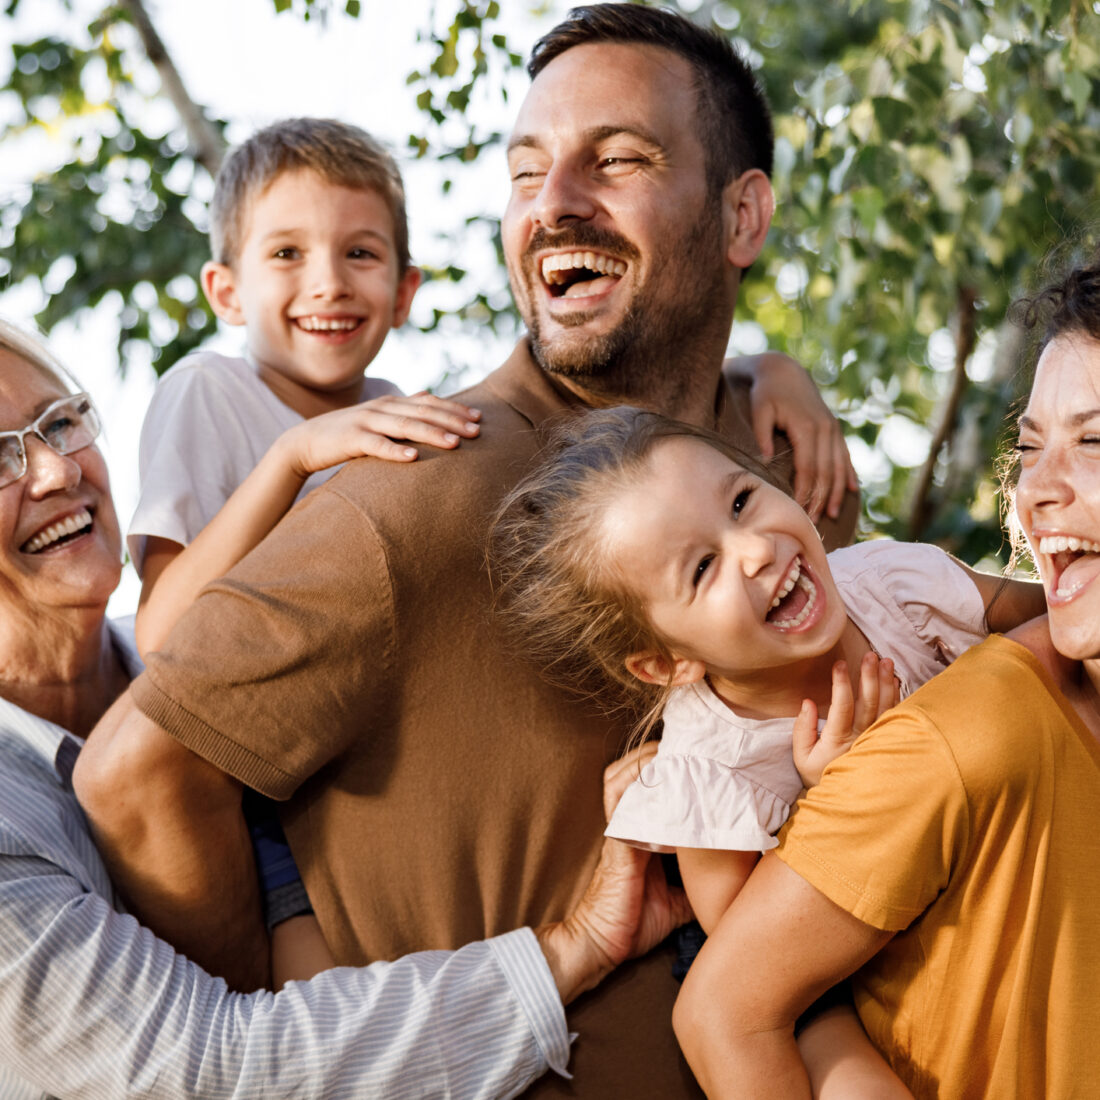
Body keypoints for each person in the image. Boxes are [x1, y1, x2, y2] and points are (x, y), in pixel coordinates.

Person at [75, 7, 860, 1094]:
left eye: (617, 159)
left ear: (742, 212)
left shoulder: (782, 476)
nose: (553, 205)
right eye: (525, 171)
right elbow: (133, 776)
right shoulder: (419, 491)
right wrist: (300, 1060)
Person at [0, 318, 691, 1099]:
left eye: (59, 422)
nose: (57, 470)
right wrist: (573, 949)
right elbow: (214, 1070)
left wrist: (756, 376)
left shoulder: (211, 654)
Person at [491, 405, 1044, 1095]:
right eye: (702, 568)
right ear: (666, 665)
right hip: (819, 981)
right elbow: (753, 958)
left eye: (743, 501)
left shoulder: (889, 585)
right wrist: (831, 799)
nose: (755, 550)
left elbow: (1053, 622)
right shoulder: (708, 769)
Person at [670, 254, 1100, 1098]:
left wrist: (769, 369)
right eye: (1030, 448)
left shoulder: (911, 592)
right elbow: (730, 1003)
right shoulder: (969, 732)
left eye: (1094, 440)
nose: (1038, 490)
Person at [130, 118, 481, 658]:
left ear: (402, 294)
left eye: (360, 253)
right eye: (287, 254)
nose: (330, 285)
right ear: (228, 294)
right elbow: (160, 638)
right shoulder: (208, 392)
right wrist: (291, 456)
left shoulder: (401, 414)